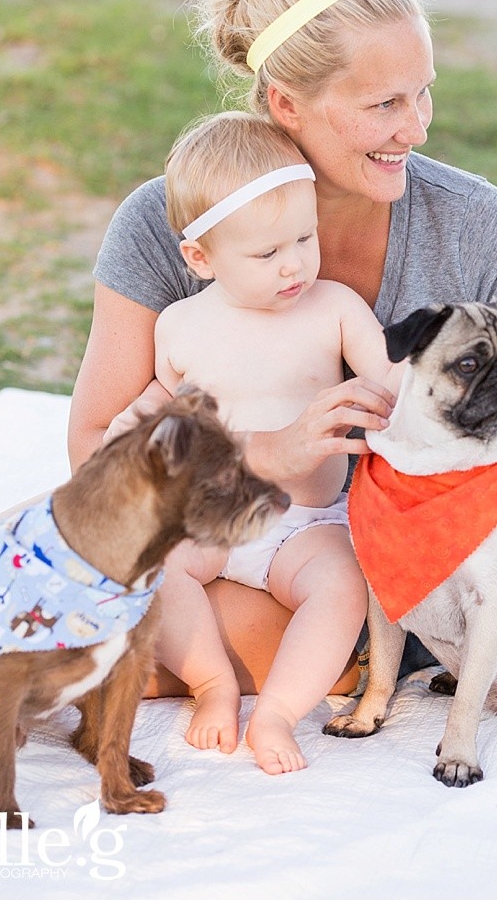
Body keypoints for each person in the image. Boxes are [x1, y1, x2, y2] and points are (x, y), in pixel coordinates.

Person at [69, 0, 497, 709]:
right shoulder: (173, 225)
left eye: (423, 94)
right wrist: (265, 454)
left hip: (389, 590)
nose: (420, 129)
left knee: (107, 631)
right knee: (27, 582)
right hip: (204, 539)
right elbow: (95, 451)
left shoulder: (483, 231)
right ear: (285, 103)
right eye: (385, 105)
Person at [153, 111, 401, 773]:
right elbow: (167, 413)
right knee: (155, 565)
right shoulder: (180, 326)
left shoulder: (335, 307)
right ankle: (212, 684)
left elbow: (389, 377)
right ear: (200, 258)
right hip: (213, 513)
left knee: (345, 584)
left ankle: (279, 712)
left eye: (303, 238)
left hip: (304, 521)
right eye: (266, 254)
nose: (293, 265)